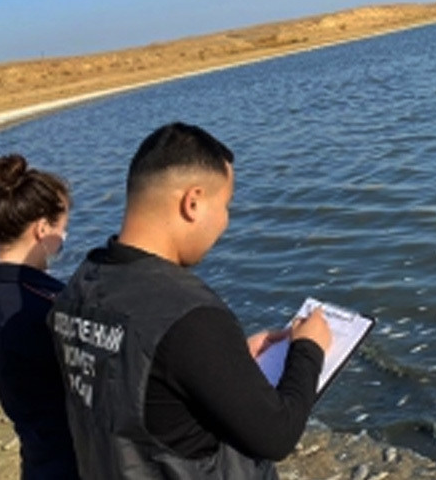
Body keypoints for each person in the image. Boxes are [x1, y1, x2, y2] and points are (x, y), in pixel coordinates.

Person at [49, 122, 331, 479]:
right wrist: (308, 349)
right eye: (226, 205)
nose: (226, 222)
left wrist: (227, 362)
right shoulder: (188, 314)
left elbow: (137, 382)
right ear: (192, 202)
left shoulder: (83, 282)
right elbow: (276, 435)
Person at [0, 154, 79, 479]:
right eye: (63, 229)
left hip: (37, 454)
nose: (63, 239)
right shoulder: (47, 305)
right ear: (42, 229)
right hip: (75, 460)